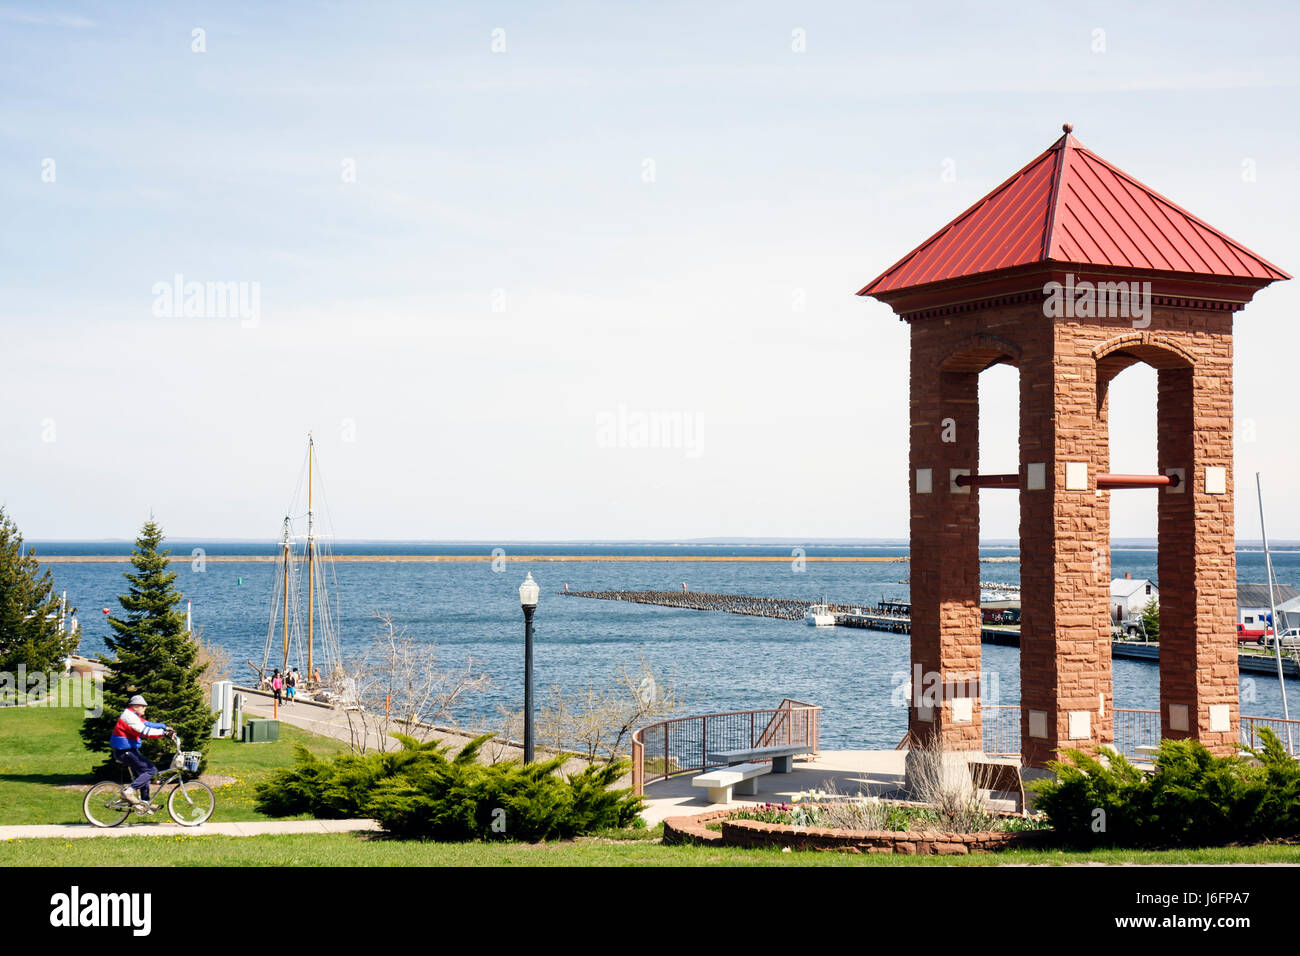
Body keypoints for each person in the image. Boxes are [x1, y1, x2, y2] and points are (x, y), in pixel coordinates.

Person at [109, 695, 173, 806]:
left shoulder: (132, 715)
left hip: (128, 750)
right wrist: (164, 733)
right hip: (124, 751)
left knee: (144, 773)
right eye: (143, 706)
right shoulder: (129, 717)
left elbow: (147, 724)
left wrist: (164, 727)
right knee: (151, 770)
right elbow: (145, 731)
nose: (145, 708)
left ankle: (145, 803)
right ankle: (128, 793)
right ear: (135, 707)